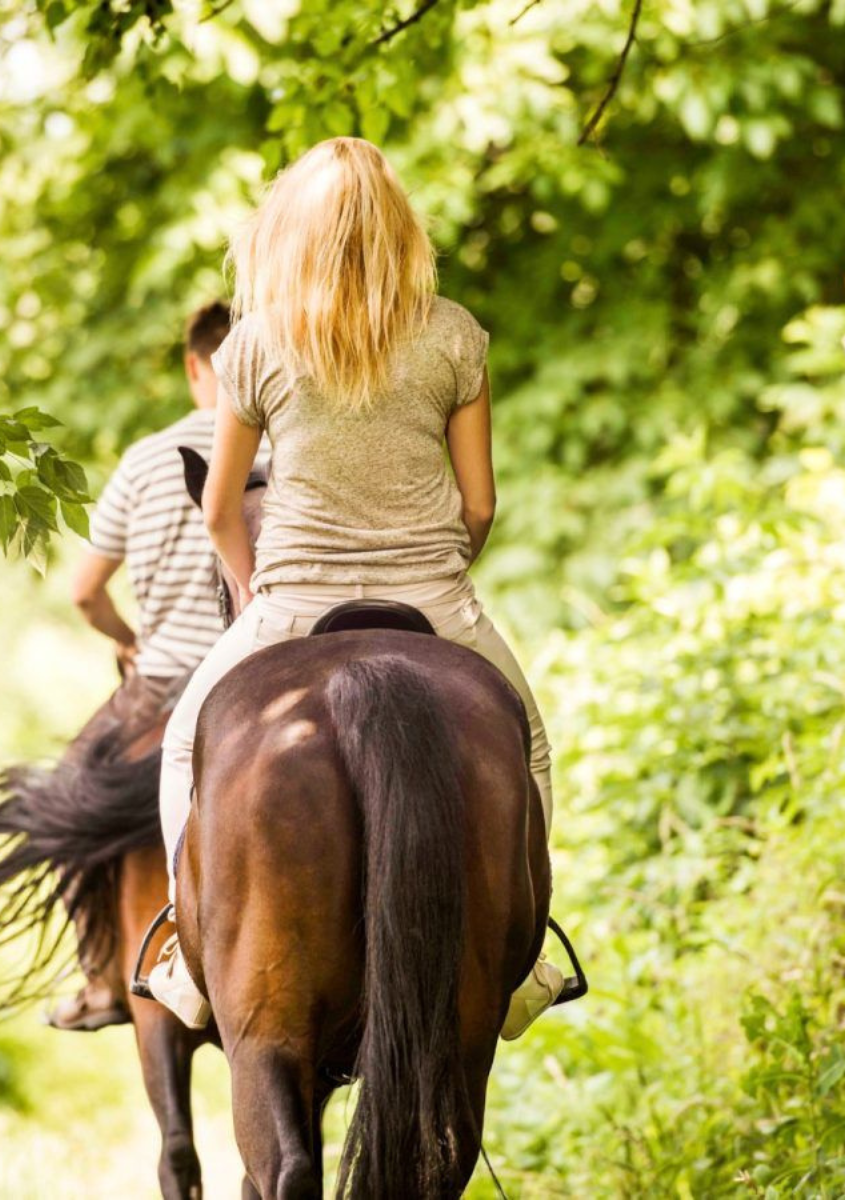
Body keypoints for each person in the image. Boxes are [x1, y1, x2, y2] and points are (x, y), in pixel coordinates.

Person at [147, 137, 563, 1040]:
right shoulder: (454, 334)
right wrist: (441, 570)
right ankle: (529, 965)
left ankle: (186, 955)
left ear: (289, 233)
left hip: (292, 601)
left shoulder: (254, 344)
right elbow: (480, 504)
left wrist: (259, 590)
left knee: (185, 745)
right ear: (401, 229)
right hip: (435, 596)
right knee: (526, 744)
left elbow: (221, 508)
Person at [45, 301, 237, 1032]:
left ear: (195, 366)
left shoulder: (147, 458)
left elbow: (84, 592)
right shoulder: (284, 443)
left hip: (161, 676)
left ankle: (99, 977)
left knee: (70, 795)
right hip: (257, 658)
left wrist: (125, 638)